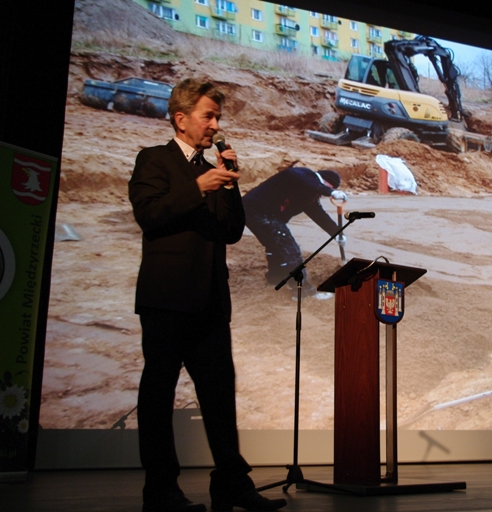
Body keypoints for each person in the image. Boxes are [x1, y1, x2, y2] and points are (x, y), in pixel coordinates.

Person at [129, 78, 286, 512]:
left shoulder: (212, 168)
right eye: (208, 116)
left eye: (217, 117)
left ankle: (231, 484)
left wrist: (229, 184)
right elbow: (149, 214)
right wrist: (199, 187)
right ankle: (161, 491)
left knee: (220, 397)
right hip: (166, 299)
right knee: (158, 396)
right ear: (181, 119)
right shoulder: (154, 159)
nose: (216, 125)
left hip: (211, 301)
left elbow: (231, 232)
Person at [242, 166, 347, 297]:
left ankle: (275, 279)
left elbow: (319, 215)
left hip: (258, 213)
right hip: (258, 211)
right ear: (324, 181)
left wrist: (337, 233)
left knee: (275, 246)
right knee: (290, 250)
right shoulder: (303, 175)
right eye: (331, 187)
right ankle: (303, 291)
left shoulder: (308, 194)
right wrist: (329, 192)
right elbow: (297, 175)